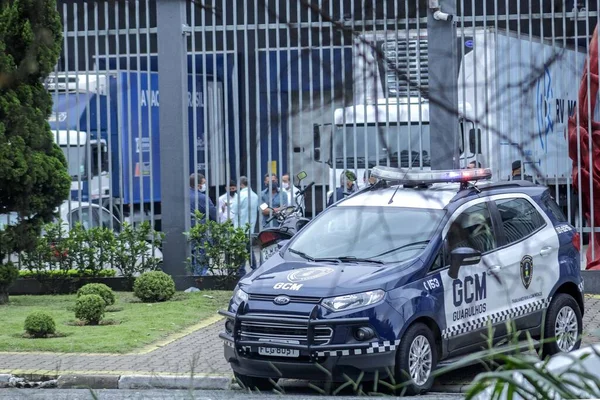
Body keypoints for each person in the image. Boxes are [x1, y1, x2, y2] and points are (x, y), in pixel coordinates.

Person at [189, 173, 218, 276]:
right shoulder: (202, 197)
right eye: (204, 183)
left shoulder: (185, 195)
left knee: (191, 254)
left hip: (188, 230)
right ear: (198, 185)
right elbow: (213, 213)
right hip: (201, 230)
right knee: (202, 254)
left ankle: (192, 275)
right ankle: (200, 276)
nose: (205, 185)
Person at [231, 176, 259, 274]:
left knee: (241, 250)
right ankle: (254, 267)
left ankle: (241, 270)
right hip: (250, 227)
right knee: (248, 248)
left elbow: (234, 210)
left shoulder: (240, 195)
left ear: (241, 184)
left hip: (239, 227)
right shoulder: (255, 195)